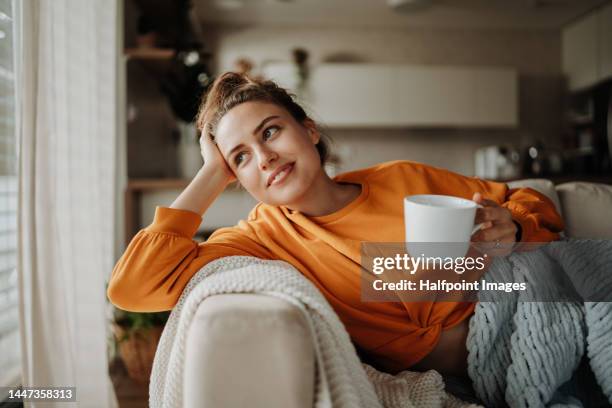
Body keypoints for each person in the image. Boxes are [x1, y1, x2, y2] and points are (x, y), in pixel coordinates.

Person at [107, 72, 563, 378]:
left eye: (270, 132)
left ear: (308, 132)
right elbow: (132, 287)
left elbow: (531, 201)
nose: (264, 158)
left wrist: (516, 229)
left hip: (522, 319)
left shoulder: (402, 178)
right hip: (468, 375)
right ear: (234, 177)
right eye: (240, 158)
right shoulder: (261, 239)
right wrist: (209, 175)